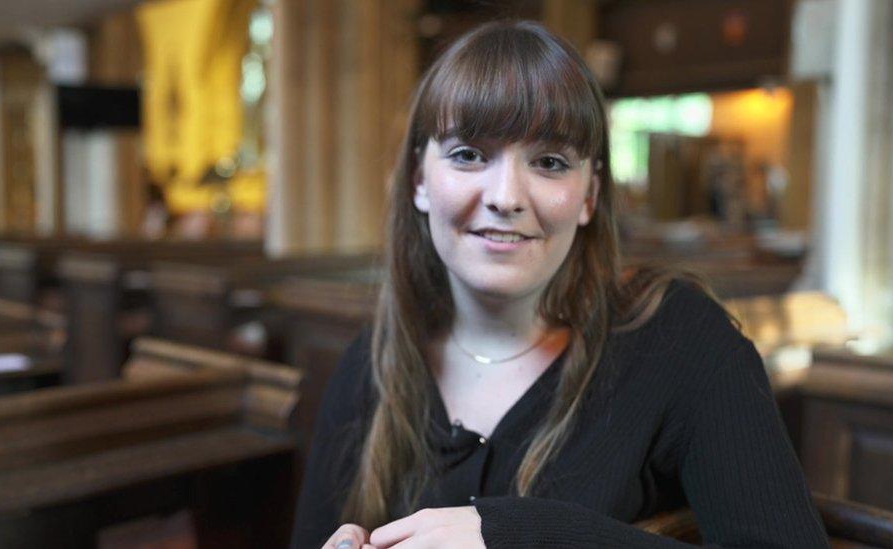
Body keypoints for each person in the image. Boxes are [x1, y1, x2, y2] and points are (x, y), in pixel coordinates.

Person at [291, 21, 829, 549]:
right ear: (419, 180)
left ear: (590, 194)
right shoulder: (372, 364)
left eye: (549, 162)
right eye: (468, 154)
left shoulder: (679, 343)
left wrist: (531, 537)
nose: (506, 196)